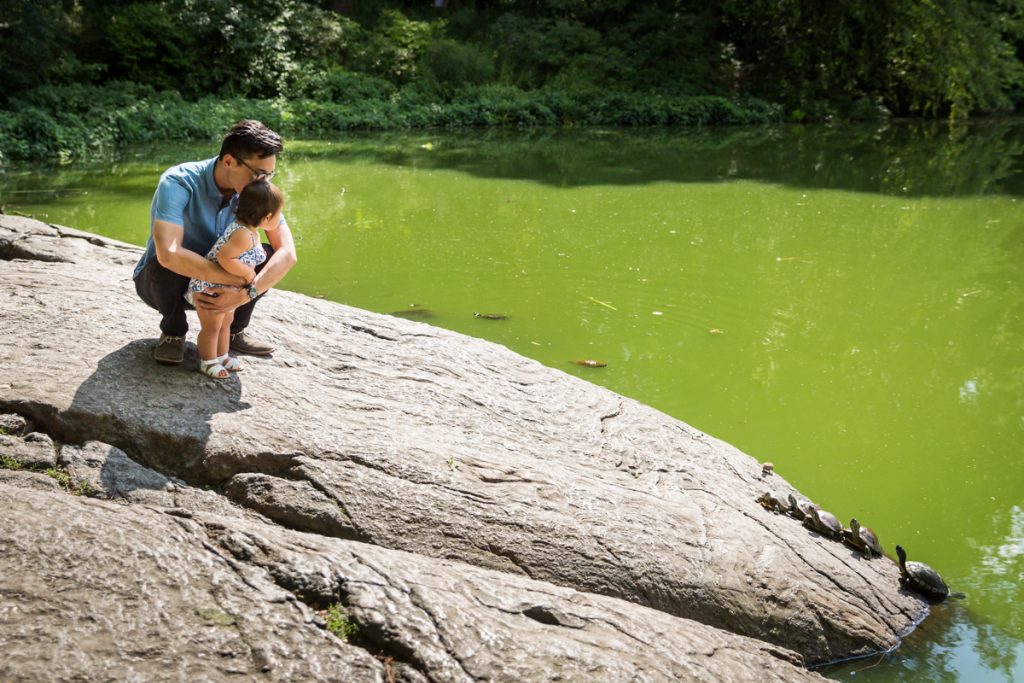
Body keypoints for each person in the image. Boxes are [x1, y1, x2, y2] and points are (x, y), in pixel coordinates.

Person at [133, 120, 298, 365]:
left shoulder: (258, 192)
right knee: (165, 261)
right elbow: (169, 253)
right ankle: (173, 332)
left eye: (269, 174)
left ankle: (233, 331)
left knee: (266, 255)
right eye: (258, 173)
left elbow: (287, 253)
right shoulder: (179, 181)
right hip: (167, 283)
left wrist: (245, 294)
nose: (264, 181)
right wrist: (236, 279)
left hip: (229, 285)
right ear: (230, 161)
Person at [186, 180, 283, 378]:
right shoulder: (241, 234)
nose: (280, 219)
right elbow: (224, 257)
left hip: (227, 287)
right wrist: (247, 274)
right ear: (267, 217)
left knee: (226, 322)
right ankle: (207, 360)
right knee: (212, 326)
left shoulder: (251, 232)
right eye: (279, 214)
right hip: (209, 288)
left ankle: (222, 355)